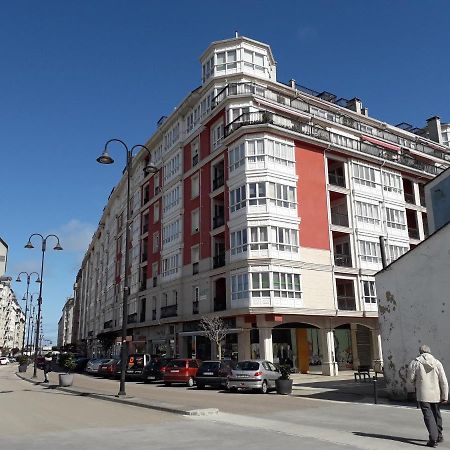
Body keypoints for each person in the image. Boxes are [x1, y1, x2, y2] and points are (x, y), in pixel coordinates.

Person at [409, 345, 448, 447]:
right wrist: (445, 395)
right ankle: (439, 435)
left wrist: (415, 384)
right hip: (436, 393)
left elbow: (410, 378)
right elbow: (443, 380)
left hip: (423, 394)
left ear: (420, 352)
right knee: (436, 414)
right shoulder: (437, 362)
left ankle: (433, 438)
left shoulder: (415, 362)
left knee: (428, 416)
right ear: (430, 352)